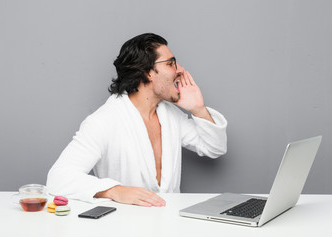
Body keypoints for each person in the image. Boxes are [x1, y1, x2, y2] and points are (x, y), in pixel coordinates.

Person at [46, 33, 227, 207]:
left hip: (170, 224)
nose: (180, 70)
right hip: (123, 227)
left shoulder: (171, 116)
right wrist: (114, 191)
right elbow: (58, 178)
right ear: (148, 72)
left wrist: (198, 109)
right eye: (171, 63)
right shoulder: (104, 121)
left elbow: (214, 148)